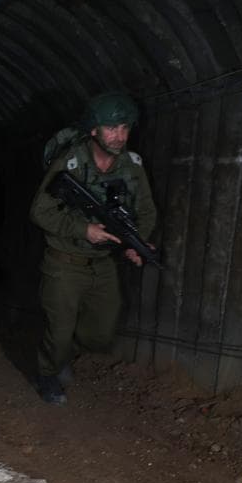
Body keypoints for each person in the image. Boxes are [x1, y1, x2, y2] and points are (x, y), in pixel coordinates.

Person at [29, 92, 158, 405]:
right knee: (59, 332)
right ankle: (48, 373)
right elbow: (40, 211)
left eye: (124, 127)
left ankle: (63, 355)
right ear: (94, 130)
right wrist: (83, 229)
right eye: (111, 128)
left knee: (99, 335)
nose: (119, 135)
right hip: (64, 262)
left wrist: (134, 243)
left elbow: (147, 211)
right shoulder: (71, 162)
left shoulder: (132, 165)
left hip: (102, 265)